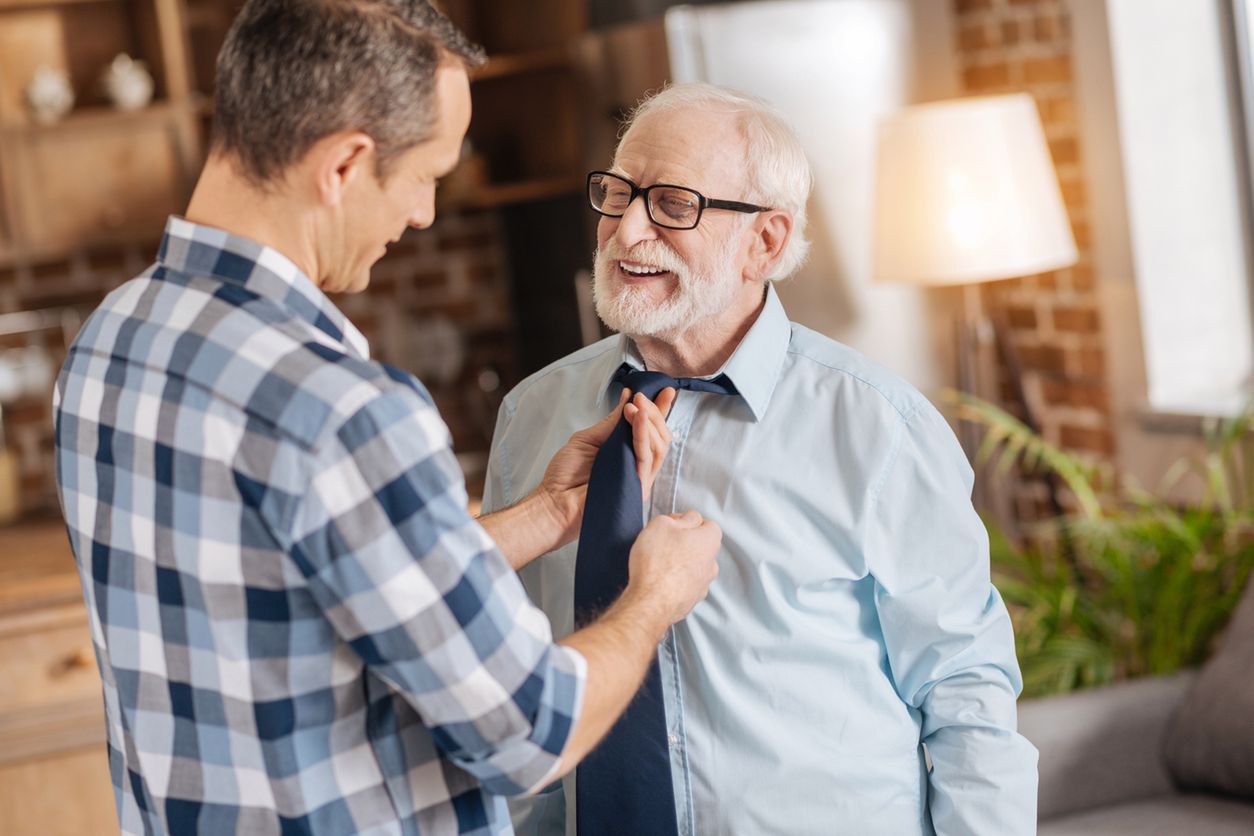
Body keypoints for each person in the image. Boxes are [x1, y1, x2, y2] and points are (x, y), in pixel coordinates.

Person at [51, 3, 722, 835]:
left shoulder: (112, 341)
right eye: (426, 174)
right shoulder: (345, 410)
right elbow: (529, 731)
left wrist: (545, 517)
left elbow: (315, 582)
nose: (424, 214)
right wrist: (655, 595)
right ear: (343, 166)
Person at [485, 83, 1040, 835]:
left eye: (673, 204)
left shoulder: (879, 427)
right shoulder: (531, 417)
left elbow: (966, 691)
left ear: (767, 242)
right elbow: (508, 671)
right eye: (618, 195)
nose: (625, 230)